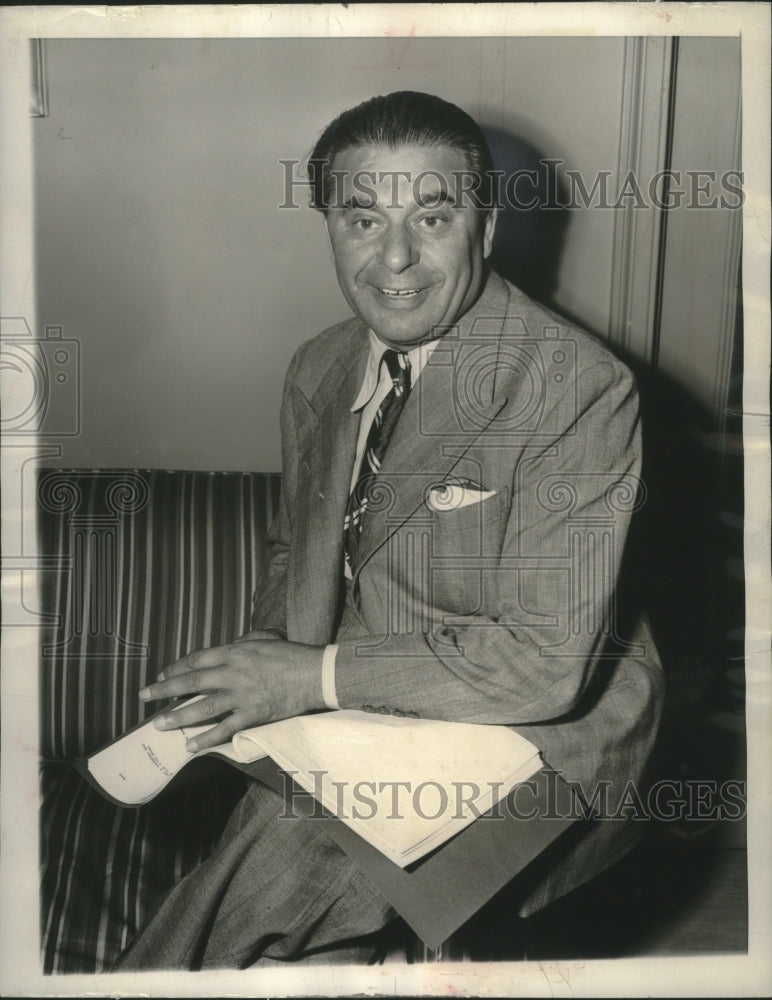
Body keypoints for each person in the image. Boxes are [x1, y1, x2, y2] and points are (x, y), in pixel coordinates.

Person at [116, 91, 664, 969]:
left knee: (257, 888)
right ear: (329, 225)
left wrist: (307, 679)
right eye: (362, 218)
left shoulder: (576, 385)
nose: (396, 259)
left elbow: (543, 665)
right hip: (363, 719)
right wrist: (260, 664)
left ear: (484, 230)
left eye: (433, 216)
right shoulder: (320, 366)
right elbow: (297, 548)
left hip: (533, 738)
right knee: (283, 900)